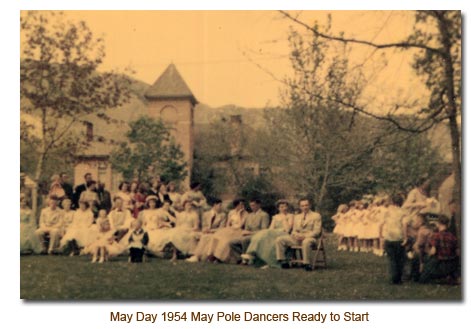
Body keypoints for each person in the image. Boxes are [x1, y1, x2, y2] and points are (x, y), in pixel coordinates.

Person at [242, 199, 293, 268]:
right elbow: (271, 228)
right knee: (263, 235)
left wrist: (283, 218)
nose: (283, 208)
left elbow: (288, 229)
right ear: (278, 208)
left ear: (287, 207)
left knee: (266, 234)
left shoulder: (290, 216)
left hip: (284, 234)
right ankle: (252, 254)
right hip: (274, 233)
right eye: (281, 207)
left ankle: (252, 254)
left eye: (285, 206)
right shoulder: (275, 217)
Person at [275, 198, 322, 271]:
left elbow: (317, 231)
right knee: (280, 239)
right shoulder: (297, 217)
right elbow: (294, 230)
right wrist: (296, 235)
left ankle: (306, 264)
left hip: (310, 238)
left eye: (306, 205)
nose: (305, 207)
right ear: (300, 207)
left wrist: (304, 236)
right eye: (302, 206)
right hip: (298, 238)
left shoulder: (316, 216)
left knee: (306, 242)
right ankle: (283, 261)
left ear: (310, 205)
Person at [419, 215, 460, 284]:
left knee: (423, 278)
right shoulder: (452, 236)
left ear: (439, 224)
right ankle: (450, 278)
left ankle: (439, 280)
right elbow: (457, 252)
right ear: (448, 224)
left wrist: (426, 254)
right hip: (450, 263)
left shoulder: (436, 236)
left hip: (439, 263)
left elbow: (433, 252)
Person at [186, 197, 227, 263]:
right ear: (214, 205)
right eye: (219, 205)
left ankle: (197, 256)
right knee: (193, 235)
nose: (221, 207)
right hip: (205, 232)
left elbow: (221, 228)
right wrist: (205, 229)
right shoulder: (206, 214)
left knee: (205, 237)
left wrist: (211, 231)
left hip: (215, 233)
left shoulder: (222, 215)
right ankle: (192, 254)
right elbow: (204, 225)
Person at [206, 199, 248, 263]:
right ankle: (211, 255)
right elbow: (228, 223)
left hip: (238, 230)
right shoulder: (231, 212)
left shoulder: (245, 214)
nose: (242, 206)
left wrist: (239, 213)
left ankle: (220, 257)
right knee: (216, 237)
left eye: (243, 204)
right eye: (240, 204)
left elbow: (240, 225)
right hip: (230, 228)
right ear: (236, 205)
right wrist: (228, 229)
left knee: (226, 241)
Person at [379, 194, 408, 284]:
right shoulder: (403, 212)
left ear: (392, 201)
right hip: (399, 236)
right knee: (400, 259)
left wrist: (380, 235)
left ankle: (393, 277)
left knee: (392, 259)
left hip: (389, 236)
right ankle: (398, 278)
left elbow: (381, 224)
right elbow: (404, 225)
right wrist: (405, 237)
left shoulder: (386, 211)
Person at [230, 198, 270, 263]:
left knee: (245, 240)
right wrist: (244, 232)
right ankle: (246, 256)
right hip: (248, 235)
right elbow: (246, 228)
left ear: (258, 205)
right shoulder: (249, 215)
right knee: (231, 242)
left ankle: (245, 260)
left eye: (253, 205)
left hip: (258, 235)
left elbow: (264, 230)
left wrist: (250, 233)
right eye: (251, 205)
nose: (252, 207)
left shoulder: (264, 215)